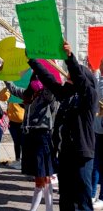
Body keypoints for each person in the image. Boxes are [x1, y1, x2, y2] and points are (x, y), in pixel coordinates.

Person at [27, 41, 97, 210]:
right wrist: (33, 61)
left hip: (81, 155)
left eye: (73, 74)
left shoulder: (89, 97)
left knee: (81, 199)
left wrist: (70, 58)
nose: (67, 75)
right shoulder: (67, 95)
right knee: (65, 198)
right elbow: (49, 80)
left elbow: (81, 81)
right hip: (65, 154)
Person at [4, 72, 58, 211]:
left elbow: (50, 89)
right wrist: (5, 74)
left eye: (38, 79)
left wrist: (45, 73)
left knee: (43, 178)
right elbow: (13, 89)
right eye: (34, 79)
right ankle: (49, 209)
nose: (36, 81)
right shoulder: (27, 95)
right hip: (29, 137)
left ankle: (41, 209)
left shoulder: (46, 96)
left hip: (42, 136)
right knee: (41, 178)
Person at [0, 87, 25, 170]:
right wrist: (7, 87)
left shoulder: (23, 93)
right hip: (12, 123)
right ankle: (18, 160)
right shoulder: (10, 94)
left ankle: (24, 161)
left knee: (23, 143)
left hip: (23, 123)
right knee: (16, 142)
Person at [90, 60, 103, 209]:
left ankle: (101, 197)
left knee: (100, 165)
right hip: (97, 130)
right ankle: (92, 194)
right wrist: (93, 72)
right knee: (95, 165)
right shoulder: (99, 80)